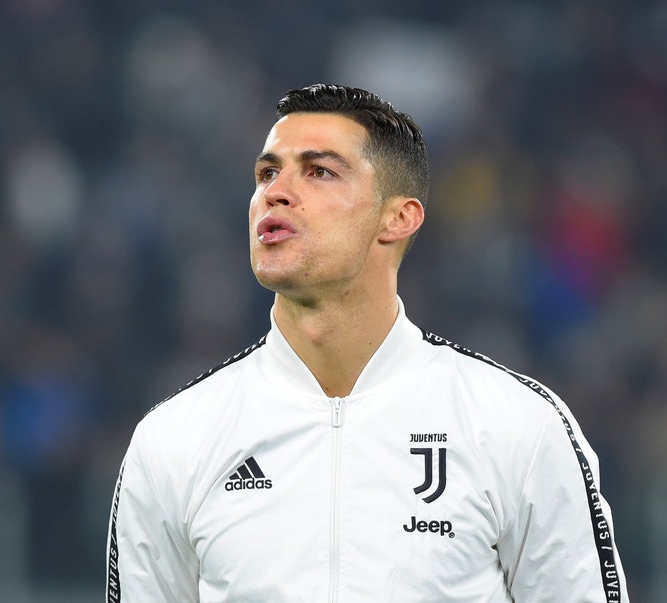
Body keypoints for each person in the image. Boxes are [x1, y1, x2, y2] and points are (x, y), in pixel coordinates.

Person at [106, 83, 628, 602]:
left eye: (320, 171)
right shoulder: (174, 440)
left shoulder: (518, 426)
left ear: (398, 218)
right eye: (267, 173)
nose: (276, 192)